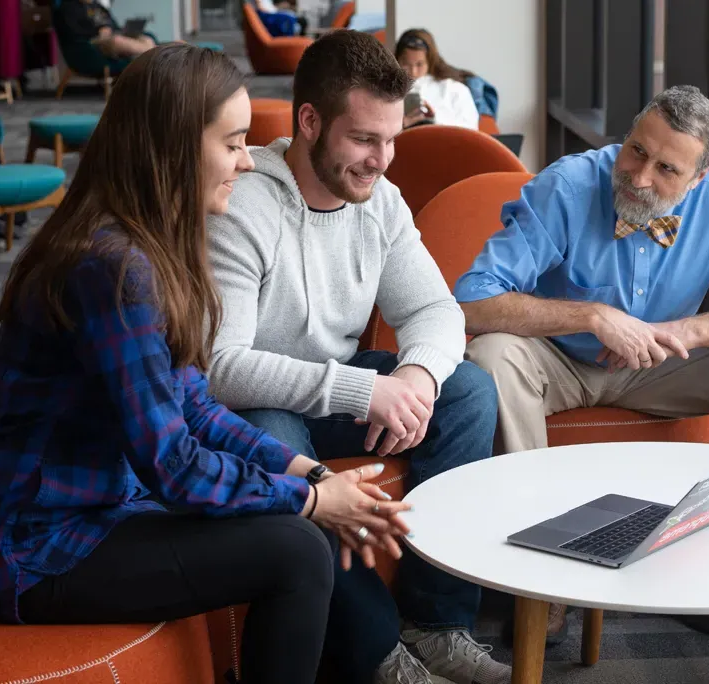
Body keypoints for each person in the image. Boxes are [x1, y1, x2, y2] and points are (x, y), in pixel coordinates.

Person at [0, 44, 409, 684]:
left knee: (298, 529)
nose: (248, 162)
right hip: (31, 551)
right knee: (297, 547)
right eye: (235, 143)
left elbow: (194, 405)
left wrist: (311, 472)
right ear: (173, 145)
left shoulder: (150, 245)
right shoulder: (111, 268)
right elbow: (172, 465)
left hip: (97, 512)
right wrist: (308, 500)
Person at [454, 85, 709, 639]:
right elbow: (475, 298)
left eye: (667, 169)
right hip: (559, 363)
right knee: (491, 353)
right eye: (636, 151)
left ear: (699, 179)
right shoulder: (568, 185)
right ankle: (538, 577)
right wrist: (593, 316)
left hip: (662, 364)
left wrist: (684, 330)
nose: (641, 177)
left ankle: (695, 544)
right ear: (626, 136)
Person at [206, 29, 510, 684]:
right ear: (310, 121)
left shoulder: (380, 204)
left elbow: (436, 313)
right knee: (273, 442)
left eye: (392, 138)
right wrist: (361, 393)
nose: (383, 159)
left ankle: (436, 621)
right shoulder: (243, 204)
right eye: (365, 139)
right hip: (253, 400)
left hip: (337, 388)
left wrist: (415, 376)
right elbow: (219, 367)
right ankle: (378, 654)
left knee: (469, 392)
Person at [395, 29, 479, 130]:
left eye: (419, 64)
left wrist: (435, 120)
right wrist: (400, 125)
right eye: (406, 64)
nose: (413, 72)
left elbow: (471, 130)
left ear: (430, 61)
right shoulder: (387, 91)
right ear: (397, 60)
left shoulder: (455, 89)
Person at [54, 0, 157, 63]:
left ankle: (149, 54)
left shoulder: (98, 6)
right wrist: (98, 31)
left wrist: (112, 29)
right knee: (117, 41)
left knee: (146, 38)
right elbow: (73, 31)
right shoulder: (69, 7)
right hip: (93, 40)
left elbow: (113, 24)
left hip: (113, 35)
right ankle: (153, 55)